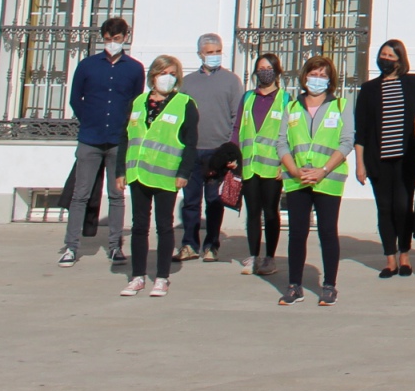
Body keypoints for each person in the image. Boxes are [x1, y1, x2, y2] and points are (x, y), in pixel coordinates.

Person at [57, 16, 144, 267]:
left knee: (116, 195)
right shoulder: (87, 65)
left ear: (125, 38)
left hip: (118, 140)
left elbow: (136, 102)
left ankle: (115, 246)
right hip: (90, 139)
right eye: (107, 39)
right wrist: (89, 121)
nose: (111, 44)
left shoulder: (134, 68)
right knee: (80, 195)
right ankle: (71, 246)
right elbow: (76, 99)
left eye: (116, 39)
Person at [117, 54, 199, 296]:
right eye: (163, 73)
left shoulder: (184, 103)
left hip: (166, 175)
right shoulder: (138, 102)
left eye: (173, 74)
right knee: (139, 226)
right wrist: (120, 171)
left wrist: (184, 172)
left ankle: (162, 277)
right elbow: (125, 137)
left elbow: (191, 142)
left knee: (164, 226)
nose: (168, 78)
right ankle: (137, 276)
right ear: (153, 75)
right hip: (138, 174)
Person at [277, 55, 354, 307]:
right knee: (297, 233)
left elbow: (346, 141)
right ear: (304, 76)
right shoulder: (291, 107)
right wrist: (295, 170)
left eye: (322, 75)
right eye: (313, 74)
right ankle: (294, 285)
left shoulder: (341, 105)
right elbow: (281, 143)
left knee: (327, 232)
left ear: (330, 79)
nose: (317, 79)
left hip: (327, 178)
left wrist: (323, 169)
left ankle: (329, 285)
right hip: (298, 179)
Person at [354, 38, 415, 279]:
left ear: (400, 60)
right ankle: (389, 260)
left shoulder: (414, 84)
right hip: (378, 160)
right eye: (383, 55)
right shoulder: (369, 89)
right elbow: (360, 131)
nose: (386, 59)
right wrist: (359, 164)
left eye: (391, 56)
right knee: (384, 208)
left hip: (406, 160)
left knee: (403, 207)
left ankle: (405, 255)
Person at [176, 33, 241, 263]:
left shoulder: (232, 81)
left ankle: (212, 244)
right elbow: (179, 117)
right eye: (209, 52)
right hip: (192, 150)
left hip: (218, 151)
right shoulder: (187, 82)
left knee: (214, 201)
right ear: (199, 54)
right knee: (191, 201)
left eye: (217, 51)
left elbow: (238, 117)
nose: (214, 56)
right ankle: (189, 244)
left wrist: (231, 151)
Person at [234, 51, 289, 277]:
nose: (264, 72)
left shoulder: (285, 100)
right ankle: (253, 256)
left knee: (271, 212)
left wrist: (285, 165)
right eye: (260, 68)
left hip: (272, 167)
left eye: (268, 68)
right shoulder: (248, 97)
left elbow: (290, 134)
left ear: (277, 72)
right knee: (252, 212)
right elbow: (237, 128)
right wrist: (234, 156)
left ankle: (270, 257)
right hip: (249, 165)